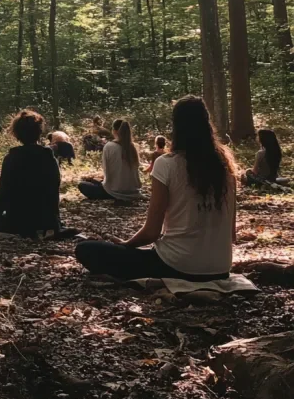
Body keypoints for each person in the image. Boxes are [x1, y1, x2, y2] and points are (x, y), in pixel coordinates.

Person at [75, 96, 236, 281]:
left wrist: (127, 245)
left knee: (86, 249)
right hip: (221, 267)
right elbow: (231, 233)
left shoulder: (167, 164)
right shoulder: (225, 164)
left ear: (176, 126)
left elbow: (152, 232)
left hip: (177, 266)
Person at [0, 109, 63, 238]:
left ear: (17, 134)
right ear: (39, 132)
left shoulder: (12, 158)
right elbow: (54, 191)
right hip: (48, 222)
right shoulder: (50, 158)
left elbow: (2, 196)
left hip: (17, 223)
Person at [78, 119, 141, 201]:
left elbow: (107, 172)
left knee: (82, 184)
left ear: (114, 131)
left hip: (114, 192)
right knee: (94, 181)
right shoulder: (133, 147)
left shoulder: (109, 146)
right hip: (133, 191)